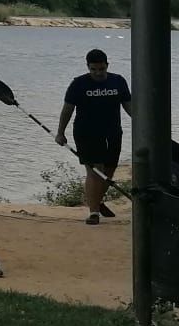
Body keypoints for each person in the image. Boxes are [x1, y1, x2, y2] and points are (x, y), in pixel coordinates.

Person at [56, 49, 134, 225]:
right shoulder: (78, 84)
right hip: (86, 133)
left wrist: (143, 124)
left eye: (101, 69)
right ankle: (93, 213)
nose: (98, 73)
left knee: (110, 170)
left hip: (113, 131)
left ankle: (96, 200)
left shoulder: (118, 81)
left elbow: (129, 106)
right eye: (94, 69)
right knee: (95, 170)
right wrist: (61, 132)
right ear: (88, 67)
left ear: (107, 65)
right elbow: (67, 109)